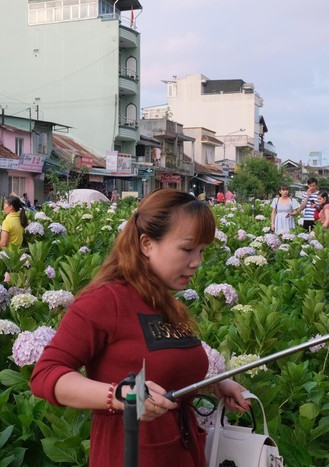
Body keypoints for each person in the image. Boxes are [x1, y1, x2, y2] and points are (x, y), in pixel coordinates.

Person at [30, 189, 248, 467]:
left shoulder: (166, 302)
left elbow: (165, 367)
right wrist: (121, 396)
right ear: (147, 244)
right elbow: (46, 375)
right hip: (129, 456)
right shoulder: (105, 300)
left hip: (184, 454)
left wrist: (215, 383)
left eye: (202, 251)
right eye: (187, 249)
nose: (197, 262)